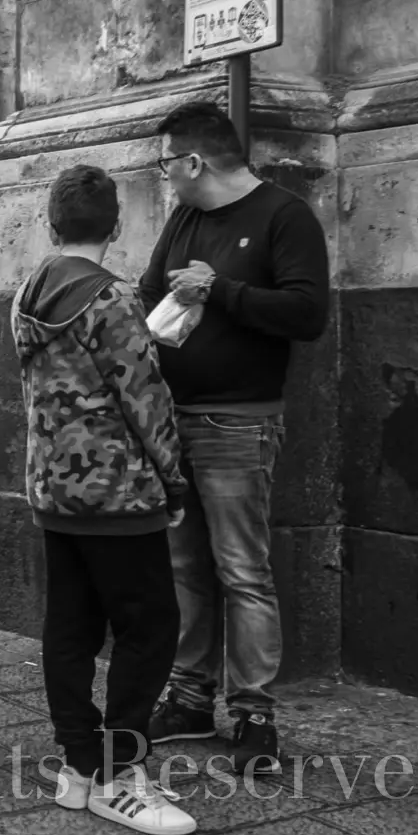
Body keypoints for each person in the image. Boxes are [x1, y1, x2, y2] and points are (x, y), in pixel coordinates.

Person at [139, 102, 330, 775]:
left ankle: (253, 714)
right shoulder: (184, 218)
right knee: (185, 568)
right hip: (174, 418)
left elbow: (308, 313)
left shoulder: (284, 216)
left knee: (243, 569)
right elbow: (149, 291)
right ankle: (190, 699)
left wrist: (219, 291)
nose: (164, 175)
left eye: (167, 162)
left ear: (195, 162)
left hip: (239, 423)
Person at [14, 164, 194, 835]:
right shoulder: (111, 298)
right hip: (119, 494)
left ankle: (79, 766)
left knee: (71, 628)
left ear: (51, 224)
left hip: (55, 490)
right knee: (150, 628)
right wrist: (174, 480)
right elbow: (146, 398)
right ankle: (121, 775)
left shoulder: (26, 293)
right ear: (116, 226)